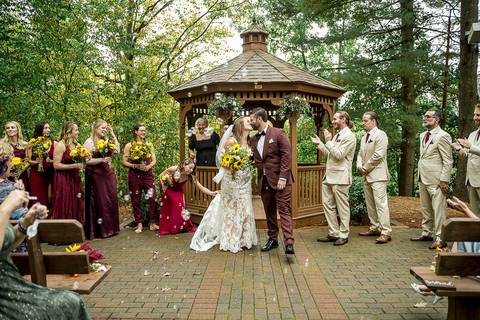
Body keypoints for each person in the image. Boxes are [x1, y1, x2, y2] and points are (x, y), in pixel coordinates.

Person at [0, 190, 91, 319]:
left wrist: (26, 222)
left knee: (72, 301)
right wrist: (6, 208)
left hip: (15, 286)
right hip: (4, 300)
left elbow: (5, 244)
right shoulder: (3, 209)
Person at [190, 117, 257, 253]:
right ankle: (231, 240)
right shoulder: (231, 141)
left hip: (245, 181)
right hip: (232, 181)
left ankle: (244, 239)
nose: (250, 122)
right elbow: (222, 160)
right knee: (233, 209)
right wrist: (232, 165)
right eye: (247, 121)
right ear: (240, 125)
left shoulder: (250, 141)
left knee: (245, 208)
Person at [250, 108, 295, 255]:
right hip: (264, 181)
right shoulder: (253, 139)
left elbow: (286, 155)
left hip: (281, 181)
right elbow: (255, 159)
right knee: (269, 211)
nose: (251, 122)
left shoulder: (278, 133)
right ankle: (273, 239)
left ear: (260, 119)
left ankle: (289, 242)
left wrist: (283, 177)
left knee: (284, 209)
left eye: (252, 119)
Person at [312, 111, 356, 246]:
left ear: (344, 120)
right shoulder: (337, 135)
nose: (333, 122)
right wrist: (320, 144)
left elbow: (339, 155)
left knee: (342, 207)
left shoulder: (350, 136)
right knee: (328, 206)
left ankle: (343, 234)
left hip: (341, 177)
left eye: (335, 119)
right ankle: (333, 232)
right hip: (329, 176)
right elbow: (330, 154)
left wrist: (328, 141)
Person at [411, 109, 452, 249]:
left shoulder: (443, 136)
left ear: (437, 119)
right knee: (426, 207)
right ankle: (426, 232)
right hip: (423, 176)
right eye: (424, 116)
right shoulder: (423, 135)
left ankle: (441, 238)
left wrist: (444, 180)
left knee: (438, 209)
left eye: (428, 116)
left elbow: (447, 160)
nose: (425, 118)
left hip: (437, 178)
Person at [356, 111, 392, 243]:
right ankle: (375, 227)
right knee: (370, 204)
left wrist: (366, 167)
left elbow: (379, 155)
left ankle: (386, 231)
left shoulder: (381, 135)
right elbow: (359, 154)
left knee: (381, 204)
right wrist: (359, 165)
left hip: (377, 175)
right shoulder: (364, 137)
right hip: (366, 174)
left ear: (373, 121)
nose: (363, 123)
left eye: (365, 120)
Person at [83, 119, 120, 239]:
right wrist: (101, 160)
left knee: (110, 199)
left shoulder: (106, 141)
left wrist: (113, 134)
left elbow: (117, 151)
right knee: (100, 201)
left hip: (107, 174)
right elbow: (87, 161)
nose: (104, 130)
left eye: (105, 128)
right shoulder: (89, 142)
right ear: (95, 128)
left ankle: (111, 229)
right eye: (102, 128)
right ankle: (100, 231)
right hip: (96, 175)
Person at [159, 158, 216, 236]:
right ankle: (170, 227)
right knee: (174, 201)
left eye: (192, 168)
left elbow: (201, 187)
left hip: (178, 190)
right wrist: (163, 184)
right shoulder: (174, 169)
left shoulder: (191, 176)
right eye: (190, 167)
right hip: (169, 188)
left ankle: (179, 226)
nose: (191, 170)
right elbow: (162, 175)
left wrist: (212, 193)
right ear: (183, 165)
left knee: (180, 205)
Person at [122, 124, 159, 234]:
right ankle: (139, 223)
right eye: (141, 130)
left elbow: (154, 159)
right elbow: (124, 161)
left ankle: (152, 222)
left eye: (145, 130)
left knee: (152, 197)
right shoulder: (130, 145)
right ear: (136, 132)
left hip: (147, 174)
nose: (144, 132)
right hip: (134, 175)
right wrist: (135, 166)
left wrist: (149, 166)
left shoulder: (149, 144)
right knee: (135, 199)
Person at [51, 122, 85, 226]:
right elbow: (56, 165)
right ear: (69, 132)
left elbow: (83, 159)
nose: (78, 132)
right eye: (76, 130)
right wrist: (74, 166)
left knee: (75, 201)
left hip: (75, 178)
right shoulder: (61, 145)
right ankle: (63, 231)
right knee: (65, 202)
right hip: (63, 179)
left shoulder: (77, 145)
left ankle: (76, 230)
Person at [453, 103, 480, 217]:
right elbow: (467, 155)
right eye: (474, 115)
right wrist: (459, 149)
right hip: (471, 179)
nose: (474, 118)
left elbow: (472, 149)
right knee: (475, 213)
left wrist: (470, 147)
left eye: (478, 115)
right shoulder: (473, 135)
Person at [27, 123, 55, 207]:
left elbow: (57, 159)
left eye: (49, 128)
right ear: (40, 130)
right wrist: (37, 162)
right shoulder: (32, 142)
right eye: (45, 128)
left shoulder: (53, 142)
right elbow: (28, 160)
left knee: (49, 198)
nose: (48, 130)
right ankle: (35, 217)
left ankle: (47, 218)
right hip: (36, 174)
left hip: (50, 174)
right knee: (38, 197)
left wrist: (51, 161)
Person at [0, 142, 26, 220]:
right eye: (12, 155)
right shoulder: (10, 188)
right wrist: (20, 192)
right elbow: (20, 215)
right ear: (5, 167)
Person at [3, 121, 29, 191]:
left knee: (23, 197)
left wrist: (20, 171)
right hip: (8, 176)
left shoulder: (25, 144)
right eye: (8, 128)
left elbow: (28, 161)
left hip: (22, 175)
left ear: (18, 130)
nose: (10, 129)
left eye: (12, 127)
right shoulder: (2, 144)